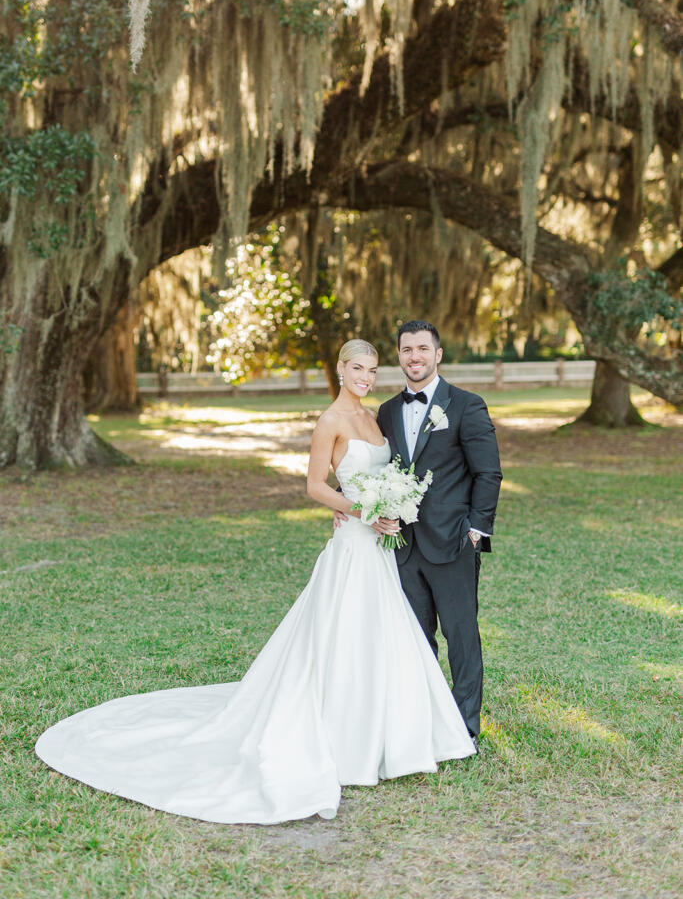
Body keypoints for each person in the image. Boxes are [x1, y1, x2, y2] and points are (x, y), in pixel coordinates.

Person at [34, 339, 475, 826]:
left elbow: (387, 472)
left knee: (382, 634)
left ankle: (395, 731)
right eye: (356, 369)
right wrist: (363, 511)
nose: (365, 378)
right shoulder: (329, 421)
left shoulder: (374, 417)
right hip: (354, 543)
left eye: (372, 370)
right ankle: (347, 735)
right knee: (343, 635)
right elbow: (313, 486)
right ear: (340, 368)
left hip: (378, 548)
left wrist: (388, 507)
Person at [378, 320, 502, 740]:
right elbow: (382, 468)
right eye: (406, 350)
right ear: (399, 356)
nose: (414, 357)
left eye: (422, 349)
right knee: (415, 638)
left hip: (453, 541)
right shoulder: (388, 411)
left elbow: (489, 473)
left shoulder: (466, 405)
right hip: (403, 545)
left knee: (461, 637)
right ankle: (425, 720)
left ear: (438, 355)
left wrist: (476, 531)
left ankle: (465, 727)